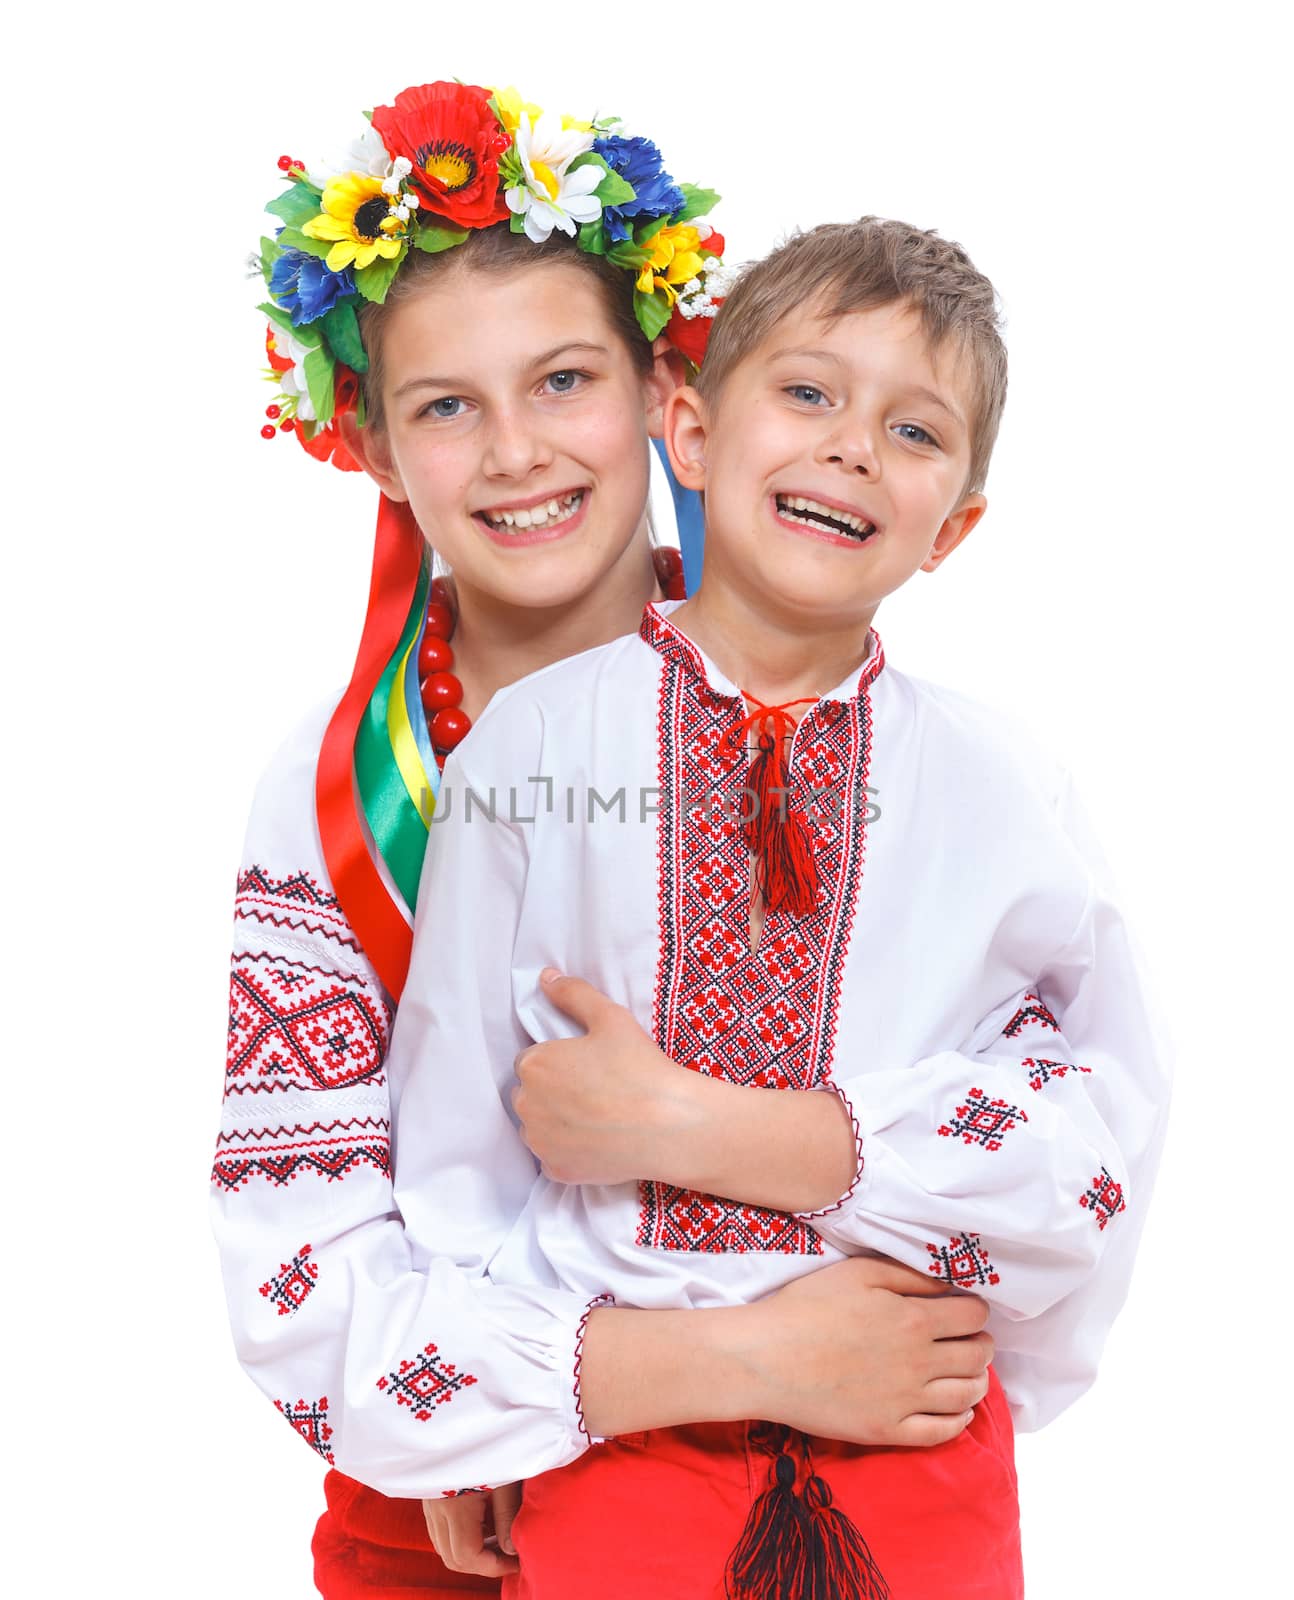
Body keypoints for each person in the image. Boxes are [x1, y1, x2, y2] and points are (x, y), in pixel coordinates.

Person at [212, 84, 998, 1598]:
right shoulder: (340, 798)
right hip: (457, 1496)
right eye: (445, 405)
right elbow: (297, 1270)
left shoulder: (823, 705)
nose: (514, 451)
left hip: (822, 1469)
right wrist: (654, 1370)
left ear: (661, 392)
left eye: (562, 380)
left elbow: (989, 1110)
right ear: (371, 447)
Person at [382, 217, 1171, 1598]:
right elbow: (456, 1110)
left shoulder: (999, 786)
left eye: (913, 431)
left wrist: (986, 1364)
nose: (850, 445)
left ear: (955, 528)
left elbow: (1099, 1124)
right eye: (806, 393)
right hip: (613, 1436)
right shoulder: (532, 746)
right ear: (684, 433)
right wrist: (470, 1422)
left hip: (916, 1438)